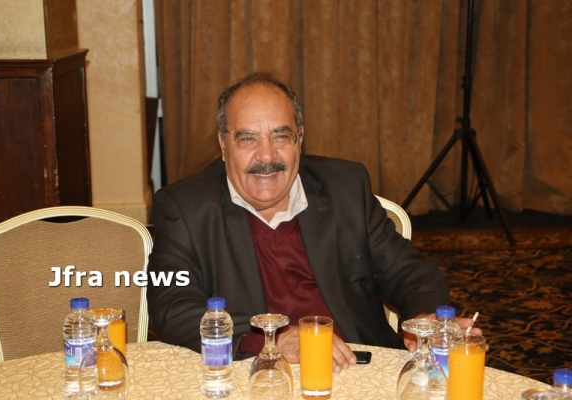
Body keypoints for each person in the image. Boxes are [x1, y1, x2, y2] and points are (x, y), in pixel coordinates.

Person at [147, 71, 480, 372]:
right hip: (256, 376)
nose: (267, 156)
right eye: (247, 138)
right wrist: (271, 340)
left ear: (300, 139)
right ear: (223, 144)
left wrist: (424, 319)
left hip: (359, 368)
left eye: (281, 137)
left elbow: (408, 271)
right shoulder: (184, 207)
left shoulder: (345, 187)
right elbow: (172, 307)